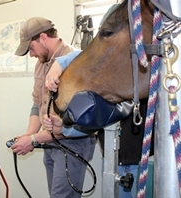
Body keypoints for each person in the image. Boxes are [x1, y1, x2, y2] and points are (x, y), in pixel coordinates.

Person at [43, 50, 154, 198]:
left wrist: (59, 62)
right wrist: (64, 128)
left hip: (141, 159)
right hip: (112, 158)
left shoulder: (142, 62)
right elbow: (98, 123)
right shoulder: (106, 76)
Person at [10, 17, 97, 198]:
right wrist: (29, 135)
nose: (32, 54)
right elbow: (37, 104)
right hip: (49, 141)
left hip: (71, 143)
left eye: (31, 48)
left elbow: (69, 123)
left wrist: (34, 139)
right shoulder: (41, 65)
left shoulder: (75, 62)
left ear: (43, 37)